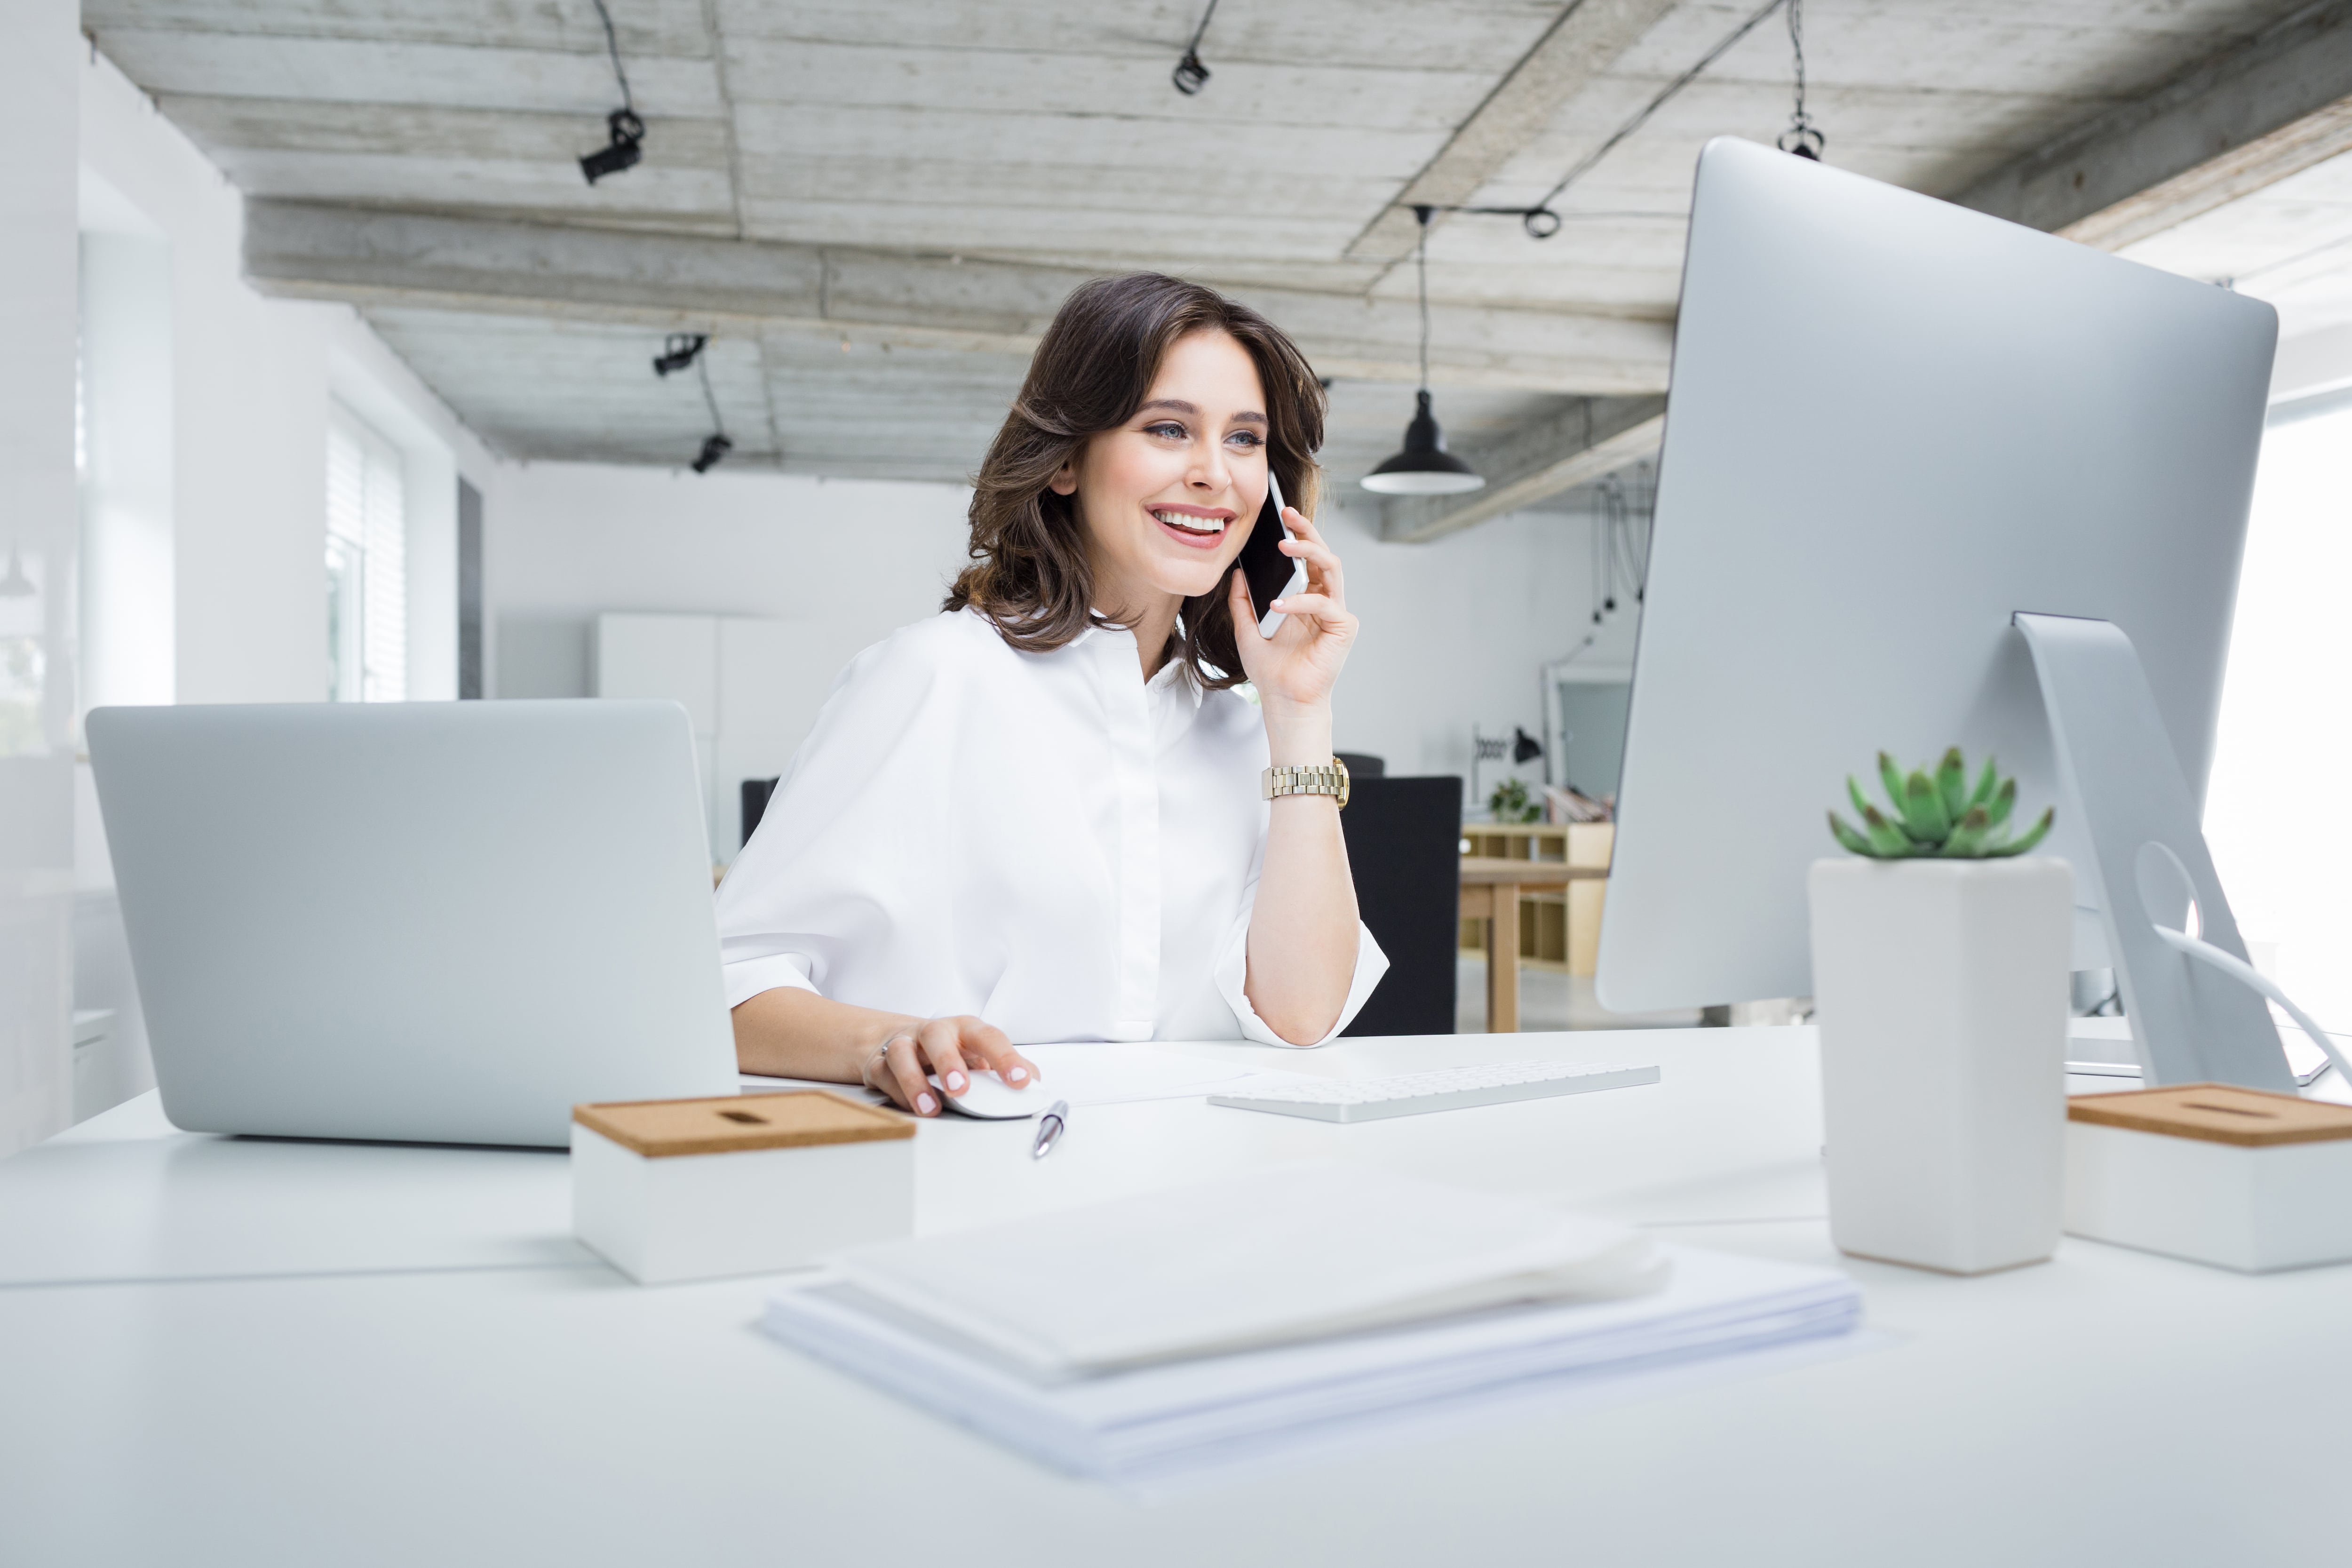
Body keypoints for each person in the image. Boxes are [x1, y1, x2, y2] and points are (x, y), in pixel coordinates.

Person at [717, 273, 1386, 1115]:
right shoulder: (934, 676)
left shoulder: (1241, 730)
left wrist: (1299, 715)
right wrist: (888, 1042)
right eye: (1168, 428)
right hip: (968, 1164)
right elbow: (724, 982)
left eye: (1245, 439)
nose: (1215, 473)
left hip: (1192, 1172)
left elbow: (1301, 1016)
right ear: (1067, 459)